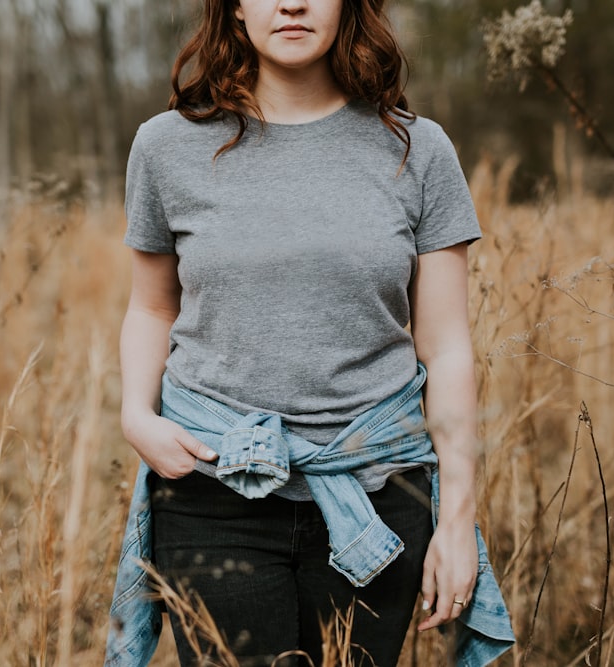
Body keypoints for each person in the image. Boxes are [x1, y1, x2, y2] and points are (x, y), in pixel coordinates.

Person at [105, 0, 514, 665]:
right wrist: (134, 415)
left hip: (378, 493)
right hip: (213, 491)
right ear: (235, 9)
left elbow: (447, 348)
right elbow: (152, 308)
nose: (291, 3)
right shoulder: (165, 145)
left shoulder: (419, 148)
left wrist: (458, 517)